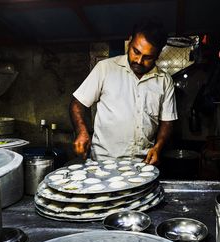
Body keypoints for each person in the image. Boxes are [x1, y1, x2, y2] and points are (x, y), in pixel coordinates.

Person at [70, 18, 177, 165]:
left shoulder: (165, 81)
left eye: (148, 57)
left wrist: (158, 147)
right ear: (130, 40)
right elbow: (77, 103)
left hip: (143, 165)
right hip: (103, 163)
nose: (139, 61)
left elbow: (167, 121)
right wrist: (81, 131)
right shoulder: (105, 68)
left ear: (158, 55)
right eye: (136, 51)